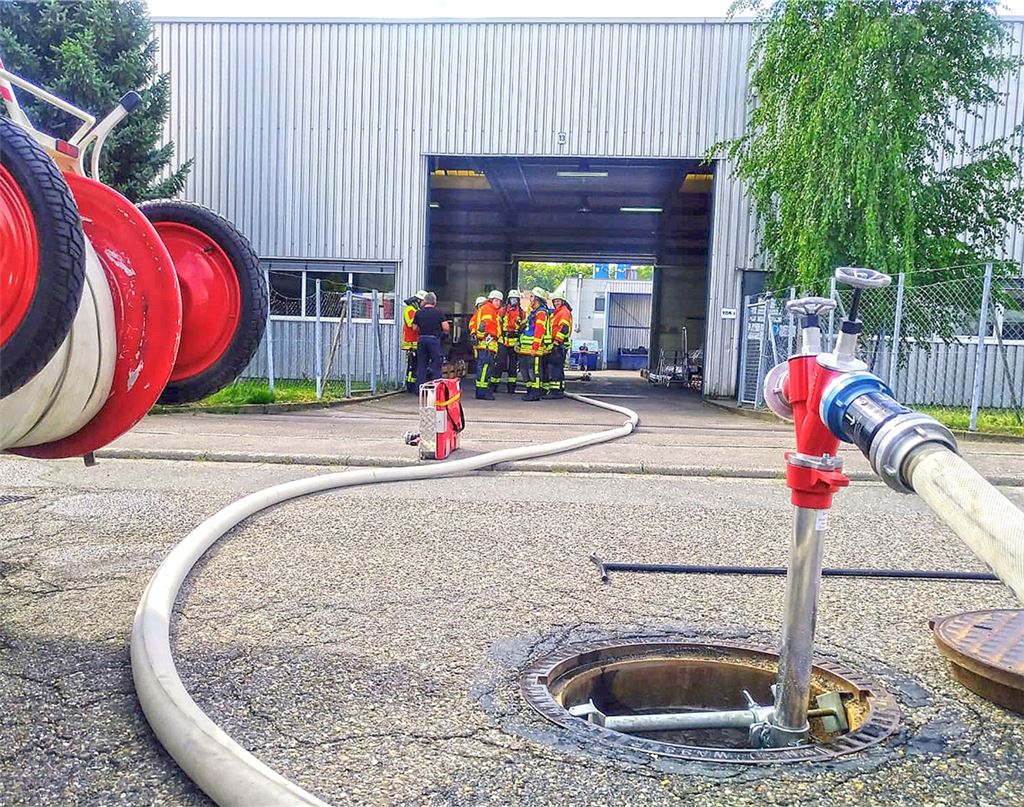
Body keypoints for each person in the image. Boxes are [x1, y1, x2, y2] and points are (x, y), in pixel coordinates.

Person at [518, 287, 549, 402]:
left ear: (537, 299)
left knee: (534, 371)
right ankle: (529, 390)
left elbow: (539, 331)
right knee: (524, 370)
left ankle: (535, 392)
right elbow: (527, 329)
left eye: (531, 296)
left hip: (533, 349)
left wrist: (535, 348)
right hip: (525, 348)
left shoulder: (541, 313)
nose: (529, 299)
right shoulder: (531, 312)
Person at [413, 292, 449, 388]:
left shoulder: (418, 313)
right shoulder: (439, 313)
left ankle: (419, 388)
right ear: (434, 302)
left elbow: (414, 328)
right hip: (433, 340)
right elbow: (446, 327)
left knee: (422, 364)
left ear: (425, 301)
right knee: (436, 363)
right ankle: (437, 388)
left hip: (422, 339)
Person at [474, 290, 503, 400]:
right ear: (491, 300)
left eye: (499, 301)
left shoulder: (490, 310)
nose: (498, 303)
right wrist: (484, 336)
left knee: (485, 367)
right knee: (485, 368)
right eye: (496, 300)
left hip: (488, 344)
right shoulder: (488, 309)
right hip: (487, 343)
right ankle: (482, 391)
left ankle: (481, 390)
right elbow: (484, 325)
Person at [544, 293, 573, 399]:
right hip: (559, 344)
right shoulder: (557, 312)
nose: (556, 303)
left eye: (558, 301)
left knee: (555, 368)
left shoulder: (564, 312)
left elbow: (564, 328)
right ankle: (560, 389)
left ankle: (555, 391)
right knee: (558, 368)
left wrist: (556, 342)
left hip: (559, 344)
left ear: (563, 301)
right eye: (555, 301)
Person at [494, 290, 523, 394]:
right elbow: (497, 324)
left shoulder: (522, 312)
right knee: (500, 363)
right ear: (509, 300)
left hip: (515, 342)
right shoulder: (503, 310)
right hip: (503, 340)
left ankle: (511, 388)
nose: (513, 300)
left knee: (513, 365)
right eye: (512, 298)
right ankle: (494, 385)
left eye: (515, 299)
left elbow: (523, 328)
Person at [401, 290, 427, 393]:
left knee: (415, 364)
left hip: (415, 341)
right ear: (418, 300)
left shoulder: (415, 310)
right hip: (410, 342)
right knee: (412, 365)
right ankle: (410, 386)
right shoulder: (410, 309)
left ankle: (413, 384)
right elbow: (411, 324)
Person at [467, 295, 486, 361]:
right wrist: (473, 334)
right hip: (478, 341)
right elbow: (471, 326)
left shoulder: (488, 315)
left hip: (487, 341)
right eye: (479, 305)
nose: (481, 307)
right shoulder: (475, 316)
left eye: (482, 305)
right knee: (478, 360)